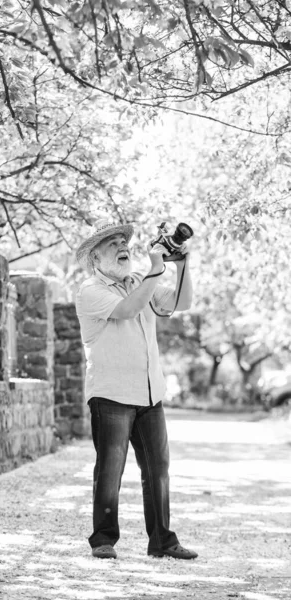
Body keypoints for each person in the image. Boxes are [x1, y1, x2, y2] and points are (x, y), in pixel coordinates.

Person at [75, 218, 197, 561]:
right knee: (111, 469)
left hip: (149, 393)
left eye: (123, 241)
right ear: (96, 258)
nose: (122, 246)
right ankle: (103, 539)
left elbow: (181, 302)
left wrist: (182, 263)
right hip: (111, 393)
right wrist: (156, 269)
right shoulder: (90, 290)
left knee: (158, 471)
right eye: (112, 244)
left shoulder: (140, 283)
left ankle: (162, 541)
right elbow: (128, 310)